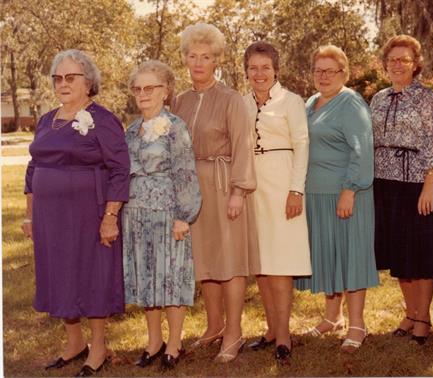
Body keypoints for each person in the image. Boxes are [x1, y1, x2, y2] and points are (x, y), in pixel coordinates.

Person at [21, 49, 130, 376]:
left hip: (89, 212)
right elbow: (33, 168)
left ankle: (98, 347)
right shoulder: (45, 119)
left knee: (91, 275)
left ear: (88, 82)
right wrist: (29, 215)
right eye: (58, 78)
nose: (63, 83)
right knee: (59, 275)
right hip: (49, 216)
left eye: (71, 77)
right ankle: (74, 342)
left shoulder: (103, 119)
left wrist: (110, 217)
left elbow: (120, 170)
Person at [171, 22, 260, 363]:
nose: (198, 63)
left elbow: (243, 146)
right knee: (205, 258)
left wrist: (239, 191)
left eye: (205, 57)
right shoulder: (180, 101)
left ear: (216, 61)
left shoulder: (230, 99)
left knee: (231, 261)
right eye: (192, 56)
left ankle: (235, 332)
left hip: (224, 184)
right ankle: (214, 325)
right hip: (192, 189)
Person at [294, 45, 379, 353]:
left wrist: (350, 189)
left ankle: (358, 324)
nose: (324, 76)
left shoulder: (351, 103)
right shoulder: (311, 102)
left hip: (346, 195)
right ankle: (333, 318)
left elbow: (362, 149)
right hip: (316, 194)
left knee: (351, 256)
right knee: (329, 256)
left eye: (331, 71)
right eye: (319, 70)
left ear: (344, 73)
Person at [123, 60, 202, 369]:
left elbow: (186, 173)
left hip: (169, 213)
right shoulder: (131, 130)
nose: (142, 94)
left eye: (149, 88)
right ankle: (153, 341)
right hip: (137, 213)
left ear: (165, 91)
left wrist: (185, 215)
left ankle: (175, 343)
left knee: (169, 278)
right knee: (147, 278)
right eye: (137, 88)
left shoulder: (175, 127)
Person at [371, 35, 433, 345]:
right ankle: (409, 311)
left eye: (404, 59)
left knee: (420, 253)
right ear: (385, 64)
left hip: (418, 183)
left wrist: (429, 185)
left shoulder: (427, 98)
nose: (398, 65)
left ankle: (422, 318)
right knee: (399, 253)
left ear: (416, 64)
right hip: (385, 182)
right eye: (392, 60)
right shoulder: (378, 98)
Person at [242, 41, 311, 361]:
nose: (259, 73)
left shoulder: (291, 101)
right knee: (261, 263)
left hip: (283, 185)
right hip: (253, 187)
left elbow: (302, 143)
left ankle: (284, 336)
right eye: (253, 68)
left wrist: (296, 190)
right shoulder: (241, 104)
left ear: (275, 70)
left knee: (281, 264)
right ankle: (271, 329)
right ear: (246, 72)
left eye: (265, 67)